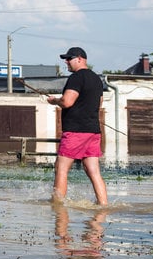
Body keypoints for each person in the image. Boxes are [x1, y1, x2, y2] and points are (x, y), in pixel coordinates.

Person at [46, 46, 108, 206]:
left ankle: (57, 206)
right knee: (94, 171)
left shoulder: (76, 77)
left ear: (80, 59)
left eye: (69, 58)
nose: (66, 62)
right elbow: (99, 103)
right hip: (93, 132)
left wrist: (55, 101)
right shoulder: (97, 79)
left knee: (61, 168)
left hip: (75, 131)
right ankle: (103, 205)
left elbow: (67, 101)